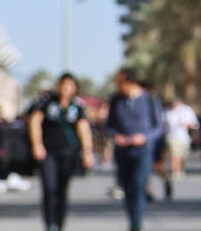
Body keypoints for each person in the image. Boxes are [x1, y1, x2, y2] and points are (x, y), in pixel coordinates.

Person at [29, 73, 96, 231]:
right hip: (48, 152)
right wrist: (37, 145)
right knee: (49, 187)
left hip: (68, 153)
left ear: (74, 88)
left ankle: (59, 223)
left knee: (62, 189)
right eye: (63, 85)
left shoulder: (76, 107)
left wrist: (87, 152)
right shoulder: (47, 103)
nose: (66, 89)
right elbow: (35, 121)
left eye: (69, 86)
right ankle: (50, 223)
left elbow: (83, 128)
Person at [105, 69, 163, 231]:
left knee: (138, 184)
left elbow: (158, 127)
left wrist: (144, 137)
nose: (117, 86)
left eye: (120, 82)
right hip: (122, 151)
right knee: (127, 187)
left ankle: (136, 223)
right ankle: (132, 219)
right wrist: (116, 136)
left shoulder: (150, 100)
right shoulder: (116, 101)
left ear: (130, 82)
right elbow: (109, 125)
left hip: (143, 150)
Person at [162, 93, 199, 193]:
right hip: (171, 137)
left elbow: (195, 124)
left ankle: (180, 169)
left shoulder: (187, 110)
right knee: (175, 154)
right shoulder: (167, 112)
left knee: (182, 156)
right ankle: (175, 171)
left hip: (184, 137)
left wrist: (186, 125)